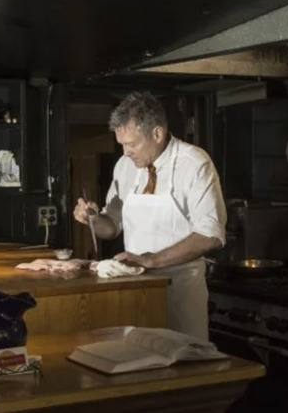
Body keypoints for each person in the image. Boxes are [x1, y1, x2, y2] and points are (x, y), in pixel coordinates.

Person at [73, 91, 226, 340]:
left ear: (157, 134)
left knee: (183, 358)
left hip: (181, 291)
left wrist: (150, 260)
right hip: (136, 292)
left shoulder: (194, 163)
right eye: (122, 144)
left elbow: (211, 235)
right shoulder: (125, 166)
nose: (125, 152)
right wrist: (92, 218)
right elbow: (111, 227)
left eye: (132, 144)